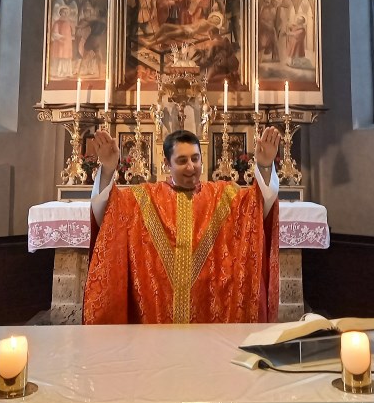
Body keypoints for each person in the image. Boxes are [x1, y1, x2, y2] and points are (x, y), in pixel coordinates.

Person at [83, 126, 282, 324]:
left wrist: (264, 167)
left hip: (212, 321)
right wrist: (108, 170)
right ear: (166, 163)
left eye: (195, 159)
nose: (190, 167)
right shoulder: (142, 198)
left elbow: (256, 209)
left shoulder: (225, 196)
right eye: (182, 161)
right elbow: (110, 214)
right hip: (154, 323)